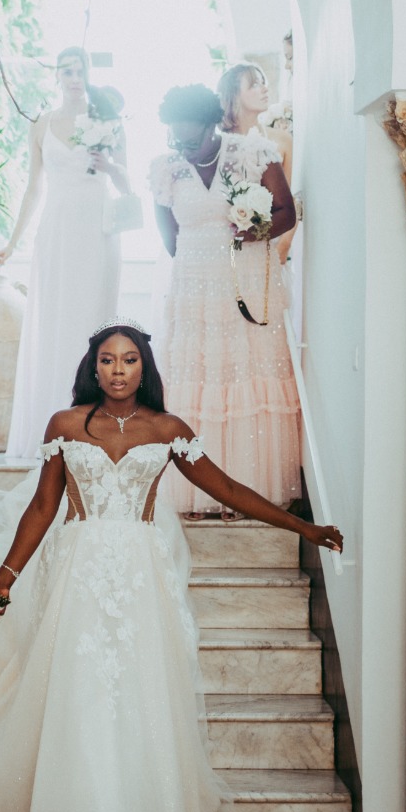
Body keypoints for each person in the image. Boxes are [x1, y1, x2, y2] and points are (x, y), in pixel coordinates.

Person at [0, 323, 343, 812]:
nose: (118, 370)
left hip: (141, 579)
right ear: (93, 369)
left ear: (143, 367)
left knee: (138, 697)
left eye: (128, 360)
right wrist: (5, 576)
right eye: (107, 360)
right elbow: (44, 506)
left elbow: (224, 487)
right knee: (78, 697)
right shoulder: (65, 426)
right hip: (78, 571)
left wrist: (303, 526)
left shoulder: (169, 431)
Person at [149, 84, 302, 515]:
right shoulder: (165, 169)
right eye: (176, 138)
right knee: (198, 381)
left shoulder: (253, 154)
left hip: (246, 279)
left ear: (213, 125)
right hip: (194, 288)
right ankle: (195, 492)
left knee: (245, 373)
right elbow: (170, 238)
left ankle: (249, 488)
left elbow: (287, 211)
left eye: (191, 138)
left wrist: (256, 232)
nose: (184, 146)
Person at [0, 46, 132, 457]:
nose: (74, 77)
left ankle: (97, 428)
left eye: (80, 70)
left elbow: (128, 185)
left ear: (89, 74)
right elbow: (34, 188)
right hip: (57, 228)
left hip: (98, 228)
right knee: (55, 321)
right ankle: (54, 424)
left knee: (93, 321)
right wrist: (13, 242)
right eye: (66, 70)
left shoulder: (109, 120)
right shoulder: (42, 123)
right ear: (56, 75)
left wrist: (107, 165)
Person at [218, 60, 297, 263]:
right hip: (226, 247)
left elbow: (291, 199)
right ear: (234, 94)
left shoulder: (282, 140)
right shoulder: (221, 145)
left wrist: (283, 246)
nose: (264, 88)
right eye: (254, 84)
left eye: (263, 82)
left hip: (270, 247)